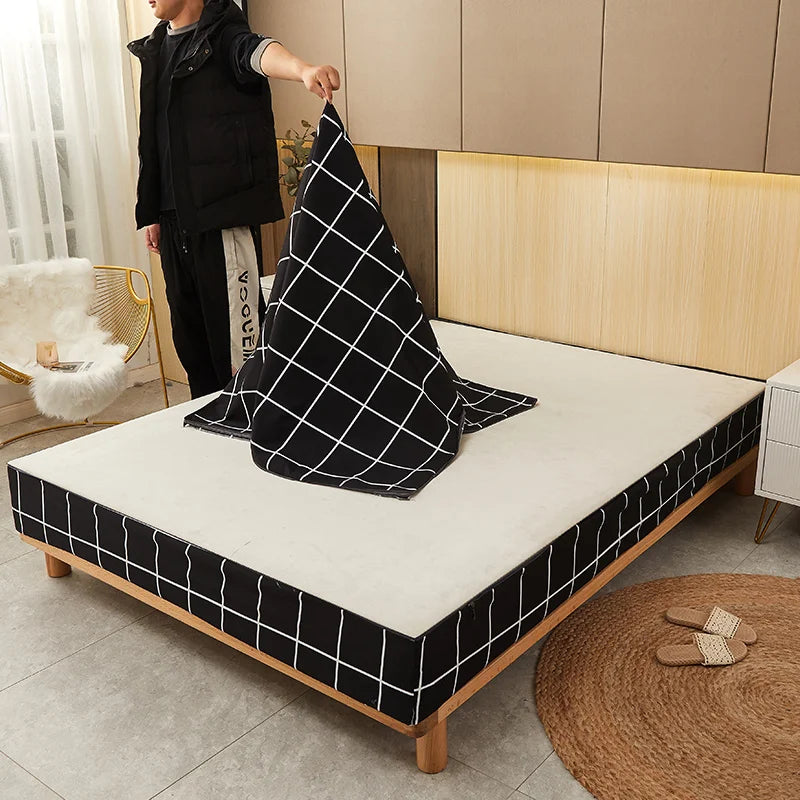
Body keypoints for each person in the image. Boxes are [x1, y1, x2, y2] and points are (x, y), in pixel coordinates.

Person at [128, 0, 340, 398]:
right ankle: (211, 430)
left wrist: (303, 71)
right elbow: (154, 143)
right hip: (176, 222)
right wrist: (152, 211)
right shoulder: (157, 48)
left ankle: (251, 424)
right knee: (192, 346)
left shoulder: (225, 34)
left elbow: (260, 52)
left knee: (238, 353)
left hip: (221, 218)